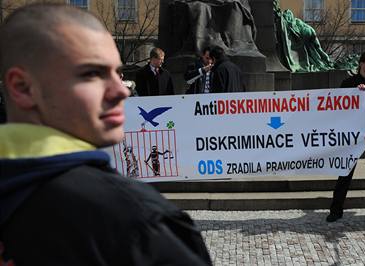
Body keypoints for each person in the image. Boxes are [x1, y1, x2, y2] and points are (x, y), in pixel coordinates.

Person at [0, 4, 211, 265]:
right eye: (92, 73)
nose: (121, 90)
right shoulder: (136, 223)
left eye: (117, 73)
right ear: (22, 87)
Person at [326, 51, 365, 225]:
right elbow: (339, 110)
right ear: (361, 63)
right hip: (352, 138)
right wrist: (355, 92)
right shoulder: (348, 83)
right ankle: (336, 210)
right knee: (345, 173)